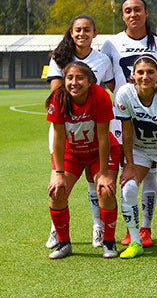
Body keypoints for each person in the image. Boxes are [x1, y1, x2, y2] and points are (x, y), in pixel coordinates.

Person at [101, 0, 157, 248]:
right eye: (128, 11)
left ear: (146, 13)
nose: (133, 14)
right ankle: (129, 229)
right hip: (124, 119)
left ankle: (146, 229)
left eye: (138, 10)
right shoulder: (111, 44)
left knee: (150, 172)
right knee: (127, 172)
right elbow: (109, 78)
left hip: (154, 119)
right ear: (123, 16)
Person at [44, 15, 115, 250]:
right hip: (68, 136)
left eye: (87, 29)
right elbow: (58, 99)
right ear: (71, 32)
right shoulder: (59, 59)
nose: (82, 33)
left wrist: (105, 172)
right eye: (77, 30)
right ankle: (59, 234)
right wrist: (57, 171)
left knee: (99, 185)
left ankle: (101, 231)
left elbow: (111, 88)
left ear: (95, 33)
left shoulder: (103, 62)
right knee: (58, 187)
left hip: (95, 136)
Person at [114, 54, 157, 259]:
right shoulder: (124, 93)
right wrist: (129, 164)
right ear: (133, 75)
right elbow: (126, 133)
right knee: (128, 188)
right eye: (140, 72)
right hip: (140, 148)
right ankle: (135, 241)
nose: (145, 76)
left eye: (150, 72)